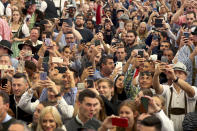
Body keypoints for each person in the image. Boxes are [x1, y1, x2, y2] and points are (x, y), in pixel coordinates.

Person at [153, 62, 197, 131]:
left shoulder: (193, 88)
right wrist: (156, 75)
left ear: (185, 76)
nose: (177, 75)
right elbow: (157, 88)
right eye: (175, 72)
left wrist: (175, 78)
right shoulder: (167, 89)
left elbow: (191, 92)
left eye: (180, 73)